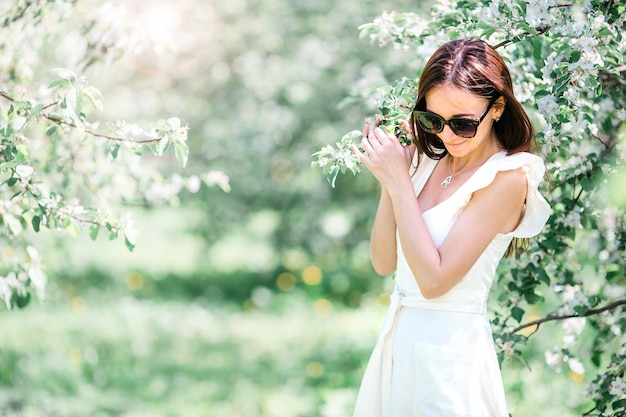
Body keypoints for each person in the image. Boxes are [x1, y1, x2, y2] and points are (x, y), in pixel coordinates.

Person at [350, 38, 551, 417]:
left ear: (498, 107)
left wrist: (398, 182)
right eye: (433, 120)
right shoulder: (427, 162)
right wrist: (392, 179)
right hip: (399, 344)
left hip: (449, 360)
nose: (447, 135)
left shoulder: (506, 177)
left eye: (462, 122)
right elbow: (383, 262)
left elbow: (435, 281)